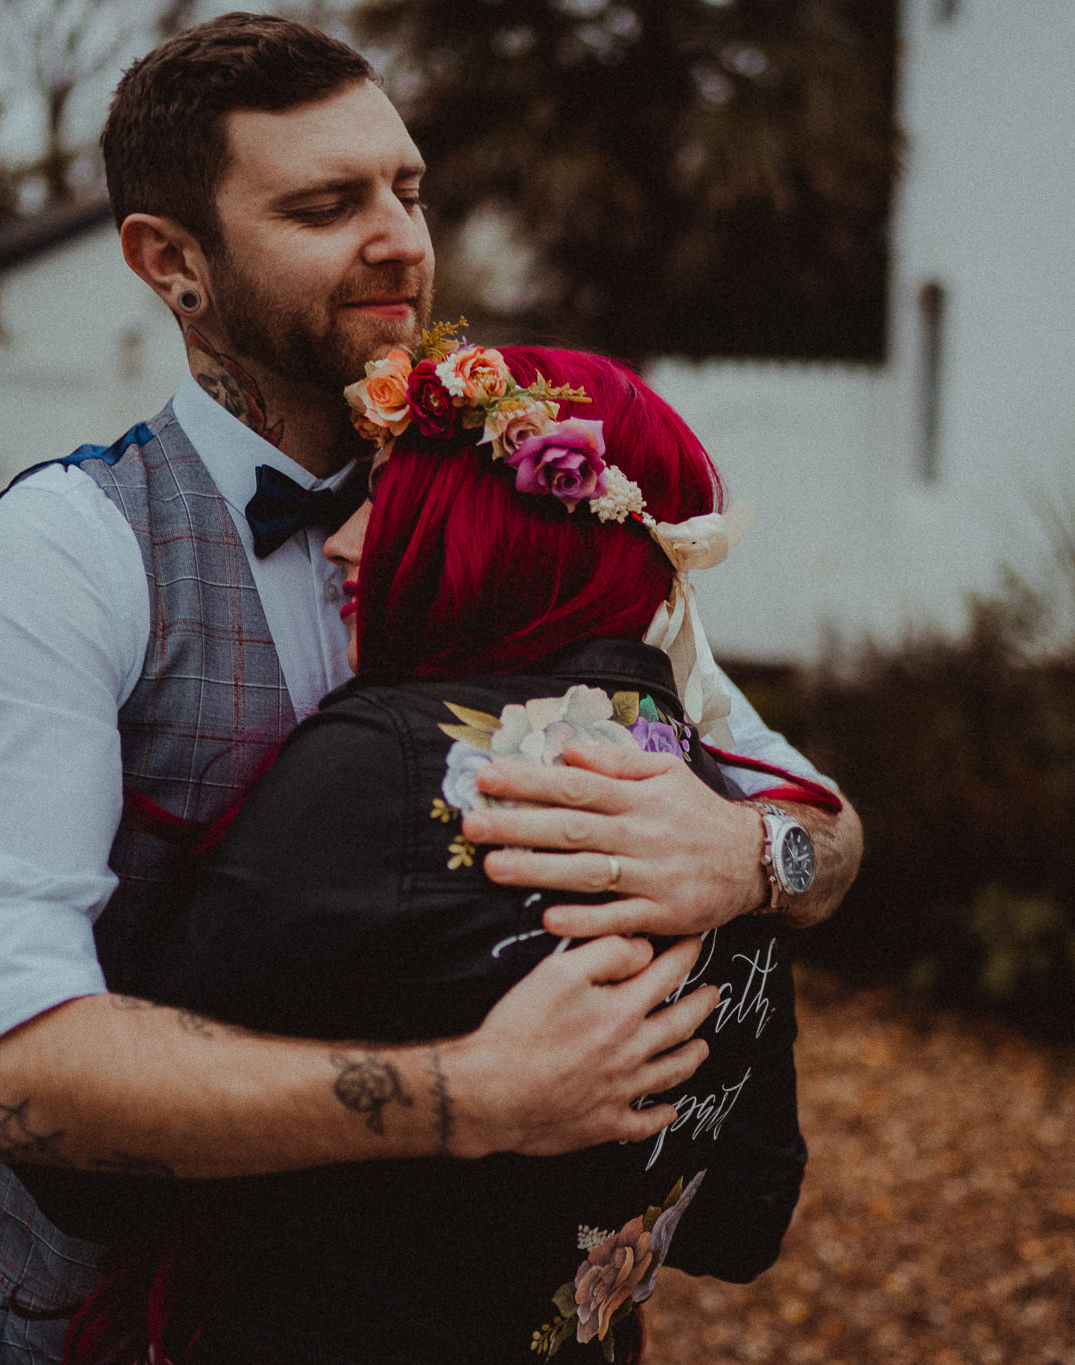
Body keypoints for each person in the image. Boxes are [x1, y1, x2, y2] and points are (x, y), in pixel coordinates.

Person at [0, 16, 864, 1364]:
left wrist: (748, 849)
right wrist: (467, 1095)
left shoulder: (529, 493)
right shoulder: (73, 550)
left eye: (406, 189)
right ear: (170, 261)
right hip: (125, 1325)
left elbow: (825, 829)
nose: (400, 238)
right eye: (326, 202)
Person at [48, 342, 828, 1364]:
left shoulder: (383, 767)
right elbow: (740, 1226)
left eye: (394, 501)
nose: (341, 545)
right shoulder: (733, 829)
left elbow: (95, 1169)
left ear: (480, 535)